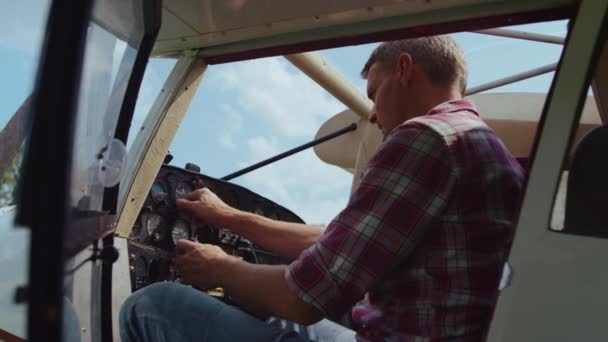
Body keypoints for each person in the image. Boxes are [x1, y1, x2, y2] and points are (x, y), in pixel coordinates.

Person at [120, 35, 524, 341]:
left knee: (152, 306)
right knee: (254, 302)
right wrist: (226, 217)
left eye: (374, 92)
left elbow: (304, 299)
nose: (372, 112)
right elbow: (339, 241)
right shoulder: (484, 146)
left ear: (404, 69)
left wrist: (220, 267)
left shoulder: (425, 138)